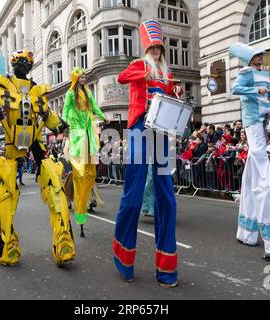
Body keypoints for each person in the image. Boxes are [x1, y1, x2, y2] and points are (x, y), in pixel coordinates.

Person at [0, 50, 73, 266]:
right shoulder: (2, 85)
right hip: (11, 141)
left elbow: (47, 115)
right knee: (6, 192)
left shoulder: (35, 89)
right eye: (20, 61)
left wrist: (60, 124)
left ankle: (63, 239)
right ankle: (6, 243)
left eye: (28, 62)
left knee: (54, 182)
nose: (25, 65)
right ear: (13, 64)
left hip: (35, 139)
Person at [114, 20, 183, 288]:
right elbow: (122, 78)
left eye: (159, 49)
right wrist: (144, 75)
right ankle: (124, 257)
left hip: (161, 131)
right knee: (133, 195)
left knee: (167, 196)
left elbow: (171, 95)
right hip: (140, 128)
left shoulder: (167, 72)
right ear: (147, 48)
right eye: (152, 48)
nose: (156, 52)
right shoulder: (140, 65)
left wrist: (175, 90)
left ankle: (166, 268)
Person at [229, 42, 270, 266]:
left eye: (261, 55)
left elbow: (263, 95)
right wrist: (256, 90)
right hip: (253, 123)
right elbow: (236, 90)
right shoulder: (246, 72)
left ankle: (246, 232)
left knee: (254, 171)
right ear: (250, 58)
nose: (261, 57)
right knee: (263, 178)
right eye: (258, 55)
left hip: (264, 121)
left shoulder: (264, 73)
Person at [62, 66, 108, 237]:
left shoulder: (88, 93)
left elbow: (95, 107)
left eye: (84, 76)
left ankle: (84, 202)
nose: (84, 78)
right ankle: (78, 205)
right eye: (81, 76)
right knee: (78, 173)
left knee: (89, 172)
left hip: (88, 134)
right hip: (76, 135)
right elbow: (66, 111)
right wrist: (65, 125)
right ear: (75, 78)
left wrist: (102, 117)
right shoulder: (69, 94)